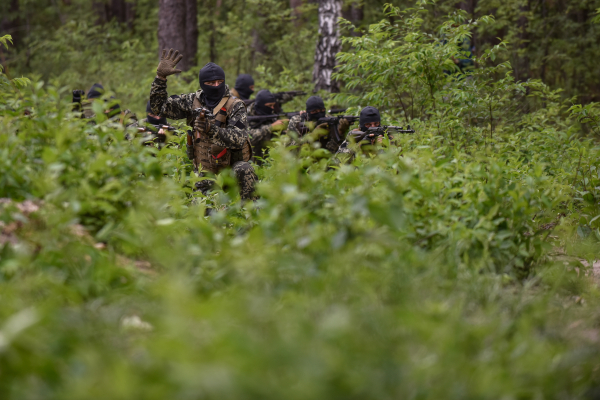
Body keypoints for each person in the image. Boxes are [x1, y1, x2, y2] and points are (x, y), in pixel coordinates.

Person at [149, 48, 258, 201]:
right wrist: (160, 78)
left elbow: (239, 138)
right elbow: (158, 108)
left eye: (220, 82)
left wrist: (210, 129)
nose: (216, 86)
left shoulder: (235, 105)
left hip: (230, 171)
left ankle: (251, 216)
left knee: (245, 169)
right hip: (204, 173)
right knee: (203, 214)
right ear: (203, 84)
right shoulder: (191, 101)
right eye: (211, 83)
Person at [247, 89, 287, 163]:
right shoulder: (246, 115)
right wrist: (270, 127)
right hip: (250, 161)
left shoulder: (270, 113)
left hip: (268, 159)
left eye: (273, 105)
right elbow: (248, 138)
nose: (272, 108)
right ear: (261, 105)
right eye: (269, 105)